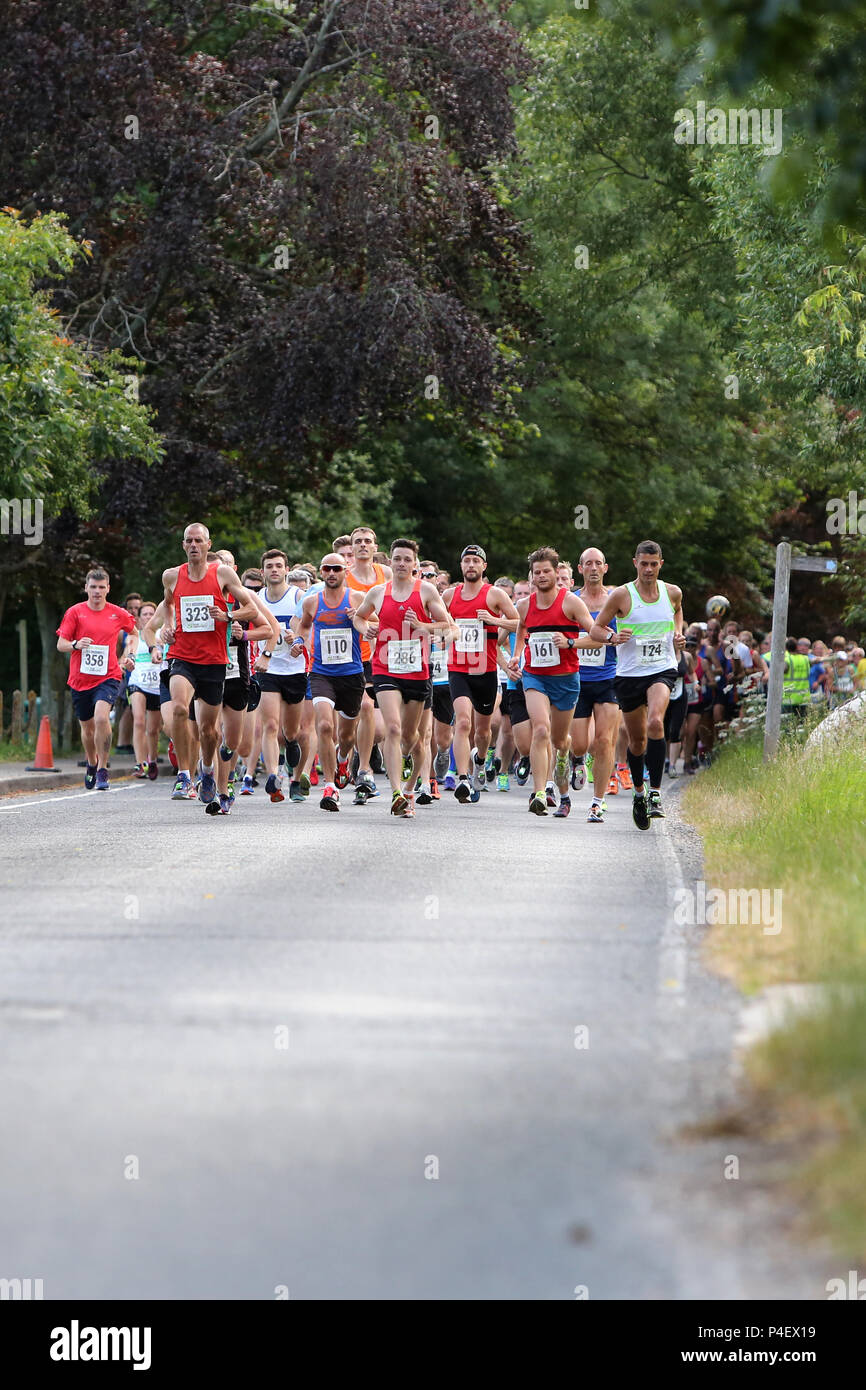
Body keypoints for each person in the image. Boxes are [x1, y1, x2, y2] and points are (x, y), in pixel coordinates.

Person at [352, 538, 456, 817]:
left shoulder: (426, 591)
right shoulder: (377, 593)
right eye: (396, 558)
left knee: (415, 739)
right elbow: (359, 618)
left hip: (417, 673)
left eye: (406, 559)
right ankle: (396, 792)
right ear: (391, 562)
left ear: (415, 565)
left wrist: (422, 626)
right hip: (385, 670)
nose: (401, 563)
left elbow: (450, 627)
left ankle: (410, 789)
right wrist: (366, 629)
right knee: (393, 729)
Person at [160, 522, 259, 804]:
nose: (193, 545)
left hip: (215, 660)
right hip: (181, 656)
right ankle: (183, 774)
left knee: (209, 730)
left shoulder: (223, 574)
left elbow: (249, 607)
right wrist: (169, 626)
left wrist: (227, 617)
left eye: (198, 541)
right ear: (183, 545)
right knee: (179, 708)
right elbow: (167, 605)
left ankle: (207, 769)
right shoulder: (171, 576)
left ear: (208, 544)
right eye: (188, 541)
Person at [589, 540, 686, 829]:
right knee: (637, 740)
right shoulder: (621, 595)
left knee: (656, 722)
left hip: (662, 669)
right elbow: (596, 628)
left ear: (660, 564)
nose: (648, 569)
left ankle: (655, 792)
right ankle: (640, 794)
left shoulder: (672, 592)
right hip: (629, 674)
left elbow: (678, 612)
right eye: (643, 564)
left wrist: (678, 634)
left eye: (653, 564)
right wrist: (612, 638)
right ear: (635, 563)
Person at [505, 547, 595, 818]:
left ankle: (564, 777)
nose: (542, 576)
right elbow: (521, 629)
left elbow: (593, 635)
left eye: (546, 571)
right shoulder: (524, 605)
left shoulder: (571, 603)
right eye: (537, 572)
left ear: (556, 573)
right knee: (541, 730)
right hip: (535, 677)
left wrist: (570, 642)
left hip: (566, 679)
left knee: (559, 740)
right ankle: (541, 793)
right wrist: (517, 655)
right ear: (531, 577)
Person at [441, 546, 519, 803]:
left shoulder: (494, 594)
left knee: (483, 733)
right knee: (463, 722)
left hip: (485, 670)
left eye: (476, 561)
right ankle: (463, 778)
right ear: (461, 566)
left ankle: (481, 758)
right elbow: (439, 623)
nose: (471, 565)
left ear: (484, 566)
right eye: (466, 561)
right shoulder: (450, 596)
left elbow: (520, 623)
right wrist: (444, 633)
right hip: (458, 668)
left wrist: (494, 622)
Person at [295, 553, 366, 811]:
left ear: (345, 570)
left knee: (346, 737)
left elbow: (376, 624)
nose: (332, 573)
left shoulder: (357, 598)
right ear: (321, 572)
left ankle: (343, 758)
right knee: (324, 726)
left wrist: (360, 619)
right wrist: (298, 642)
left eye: (337, 568)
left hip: (351, 674)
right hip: (321, 672)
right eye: (328, 568)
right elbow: (303, 627)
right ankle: (330, 787)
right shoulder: (312, 602)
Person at [56, 567, 138, 789]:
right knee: (88, 727)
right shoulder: (75, 612)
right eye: (93, 587)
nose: (97, 591)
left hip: (109, 675)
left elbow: (134, 633)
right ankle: (91, 762)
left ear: (108, 589)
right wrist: (75, 644)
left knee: (102, 718)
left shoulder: (116, 613)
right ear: (86, 588)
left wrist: (129, 655)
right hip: (80, 679)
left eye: (102, 587)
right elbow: (61, 644)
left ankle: (102, 768)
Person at [570, 547, 621, 822]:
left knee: (603, 741)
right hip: (576, 680)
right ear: (580, 569)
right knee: (579, 744)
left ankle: (597, 802)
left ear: (605, 568)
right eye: (587, 563)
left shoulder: (616, 601)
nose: (592, 568)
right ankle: (578, 760)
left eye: (597, 563)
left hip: (609, 678)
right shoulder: (572, 601)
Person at [257, 550, 310, 803]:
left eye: (279, 566)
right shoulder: (256, 599)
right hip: (269, 670)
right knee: (269, 725)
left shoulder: (298, 596)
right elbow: (253, 630)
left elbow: (309, 628)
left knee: (292, 731)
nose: (274, 570)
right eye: (270, 566)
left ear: (287, 569)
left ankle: (295, 772)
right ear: (263, 572)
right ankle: (272, 776)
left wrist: (297, 638)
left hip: (295, 670)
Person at [346, 525, 391, 801]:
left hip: (379, 654)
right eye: (358, 541)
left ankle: (362, 753)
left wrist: (365, 618)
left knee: (380, 728)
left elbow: (391, 612)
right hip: (349, 654)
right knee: (362, 708)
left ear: (375, 547)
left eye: (368, 541)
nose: (363, 545)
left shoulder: (384, 575)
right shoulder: (343, 577)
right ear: (351, 548)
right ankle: (362, 769)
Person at [126, 599, 162, 779]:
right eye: (144, 614)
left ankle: (153, 759)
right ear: (139, 619)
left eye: (151, 614)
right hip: (138, 682)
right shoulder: (134, 636)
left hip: (157, 686)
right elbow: (127, 654)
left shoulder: (162, 635)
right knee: (139, 722)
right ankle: (141, 764)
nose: (148, 617)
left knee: (153, 729)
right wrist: (128, 661)